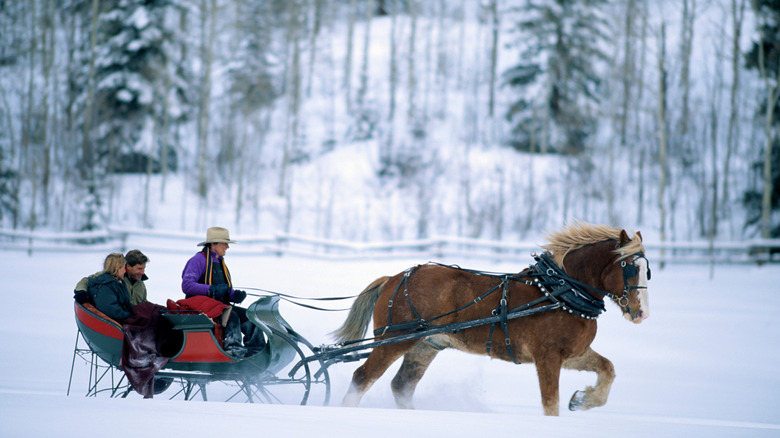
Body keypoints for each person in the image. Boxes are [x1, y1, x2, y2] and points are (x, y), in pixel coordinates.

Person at [181, 227, 265, 357]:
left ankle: (257, 351)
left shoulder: (220, 262)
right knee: (232, 316)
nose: (227, 247)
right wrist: (211, 289)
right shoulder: (198, 260)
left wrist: (234, 295)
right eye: (224, 243)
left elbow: (223, 288)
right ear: (213, 244)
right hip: (201, 307)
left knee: (251, 316)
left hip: (219, 306)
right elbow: (187, 286)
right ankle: (233, 350)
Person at [74, 249, 149, 306]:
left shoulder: (141, 285)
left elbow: (144, 304)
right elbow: (86, 281)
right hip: (117, 319)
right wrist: (81, 291)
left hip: (131, 321)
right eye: (139, 269)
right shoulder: (113, 276)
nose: (142, 272)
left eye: (144, 268)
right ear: (128, 266)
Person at [87, 253, 133, 322]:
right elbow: (111, 311)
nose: (125, 271)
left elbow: (126, 304)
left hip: (121, 319)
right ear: (117, 269)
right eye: (124, 268)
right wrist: (130, 317)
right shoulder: (105, 287)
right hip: (112, 324)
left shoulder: (119, 283)